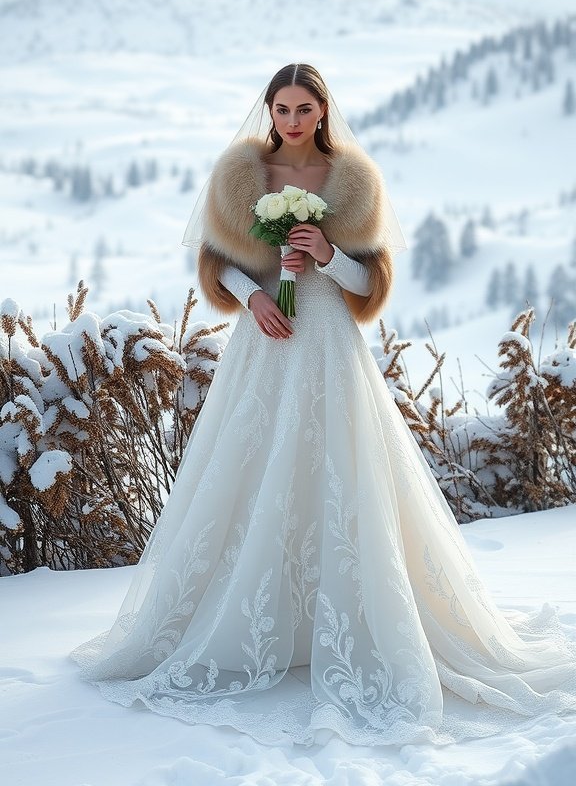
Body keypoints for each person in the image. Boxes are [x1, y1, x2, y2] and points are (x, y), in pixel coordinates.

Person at [71, 63, 576, 748]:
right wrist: (253, 296)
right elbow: (215, 263)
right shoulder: (238, 178)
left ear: (324, 110)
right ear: (269, 110)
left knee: (339, 468)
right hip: (265, 340)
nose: (291, 120)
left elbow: (372, 280)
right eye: (281, 107)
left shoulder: (353, 182)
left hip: (329, 344)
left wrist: (329, 253)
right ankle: (257, 620)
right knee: (255, 466)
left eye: (304, 107)